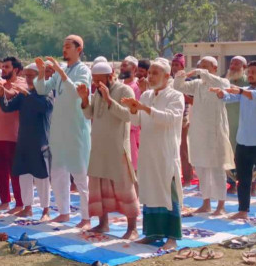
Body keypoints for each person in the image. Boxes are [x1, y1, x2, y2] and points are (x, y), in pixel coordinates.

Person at [121, 58, 184, 250]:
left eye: (155, 73)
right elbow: (137, 122)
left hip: (166, 152)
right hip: (148, 151)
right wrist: (133, 110)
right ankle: (152, 233)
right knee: (150, 190)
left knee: (168, 192)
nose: (150, 76)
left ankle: (172, 237)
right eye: (150, 73)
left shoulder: (176, 96)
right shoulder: (146, 95)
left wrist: (144, 108)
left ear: (167, 76)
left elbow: (170, 119)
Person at [34, 35, 92, 227]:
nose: (64, 49)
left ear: (79, 49)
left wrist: (60, 72)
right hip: (59, 130)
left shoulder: (83, 70)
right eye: (63, 46)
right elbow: (42, 90)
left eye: (68, 46)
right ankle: (64, 212)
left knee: (81, 176)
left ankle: (86, 217)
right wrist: (41, 73)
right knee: (58, 173)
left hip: (76, 130)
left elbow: (77, 93)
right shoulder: (62, 72)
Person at [212, 61, 256, 225]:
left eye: (253, 72)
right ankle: (243, 211)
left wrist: (241, 91)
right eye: (249, 72)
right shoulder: (245, 91)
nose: (250, 75)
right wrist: (221, 94)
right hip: (243, 142)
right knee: (243, 179)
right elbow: (229, 98)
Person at [81, 61, 140, 239]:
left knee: (124, 186)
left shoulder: (125, 91)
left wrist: (108, 99)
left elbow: (128, 116)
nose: (96, 83)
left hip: (117, 148)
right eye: (94, 80)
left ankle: (132, 228)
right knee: (98, 186)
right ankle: (102, 223)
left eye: (100, 80)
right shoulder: (97, 93)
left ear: (111, 75)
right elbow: (89, 114)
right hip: (99, 147)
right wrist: (84, 99)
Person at [173, 56, 233, 216]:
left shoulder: (222, 82)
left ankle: (221, 205)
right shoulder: (198, 84)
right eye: (201, 66)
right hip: (199, 132)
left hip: (215, 131)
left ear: (215, 68)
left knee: (217, 168)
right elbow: (178, 87)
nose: (203, 69)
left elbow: (221, 85)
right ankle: (206, 204)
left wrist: (201, 72)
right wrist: (180, 75)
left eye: (206, 66)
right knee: (201, 167)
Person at [0, 63, 53, 220]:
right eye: (26, 75)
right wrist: (1, 94)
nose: (28, 79)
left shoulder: (46, 93)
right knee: (24, 175)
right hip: (23, 141)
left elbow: (44, 108)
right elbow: (7, 107)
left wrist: (27, 95)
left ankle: (46, 210)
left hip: (40, 142)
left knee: (42, 178)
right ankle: (27, 207)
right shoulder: (24, 94)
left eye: (31, 75)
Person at [0, 56, 26, 212]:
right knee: (0, 171)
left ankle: (20, 203)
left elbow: (11, 94)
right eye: (2, 67)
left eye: (7, 67)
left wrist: (1, 89)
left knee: (15, 172)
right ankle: (4, 201)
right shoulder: (1, 84)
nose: (3, 69)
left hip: (13, 136)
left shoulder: (21, 83)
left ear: (15, 70)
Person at [225, 56, 250, 195]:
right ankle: (232, 184)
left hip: (244, 124)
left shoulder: (248, 82)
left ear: (244, 67)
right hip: (228, 124)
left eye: (237, 64)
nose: (233, 66)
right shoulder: (225, 81)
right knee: (230, 154)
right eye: (232, 63)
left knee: (246, 155)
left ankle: (251, 186)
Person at [171, 53, 195, 186]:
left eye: (177, 65)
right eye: (173, 65)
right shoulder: (168, 80)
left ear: (182, 67)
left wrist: (182, 95)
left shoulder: (188, 81)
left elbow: (193, 101)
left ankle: (187, 178)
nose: (174, 67)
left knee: (183, 150)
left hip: (183, 119)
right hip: (170, 118)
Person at [120, 56, 142, 170]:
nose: (121, 68)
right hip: (117, 130)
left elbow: (136, 111)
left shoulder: (136, 87)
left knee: (131, 167)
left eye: (125, 65)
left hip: (131, 132)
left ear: (134, 69)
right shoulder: (118, 86)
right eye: (121, 65)